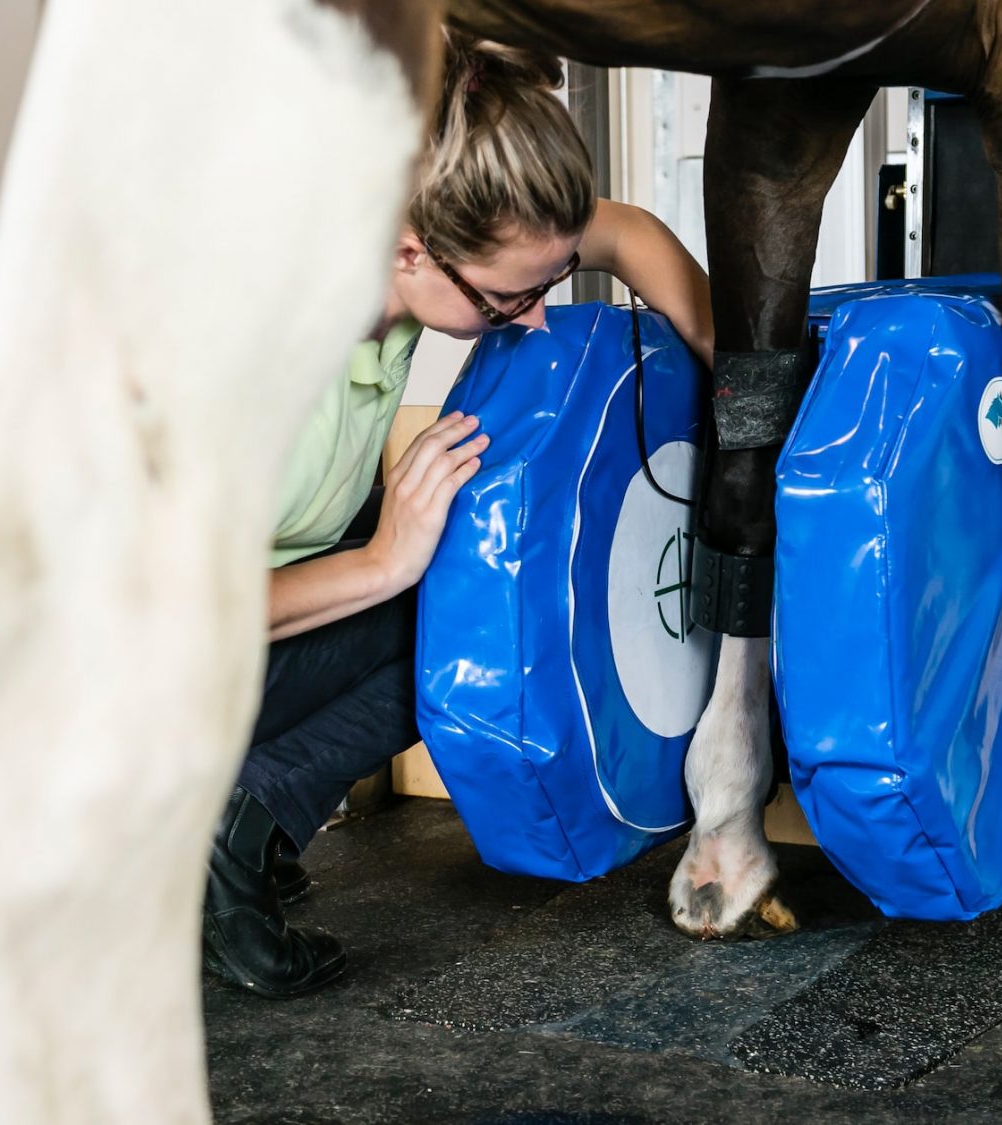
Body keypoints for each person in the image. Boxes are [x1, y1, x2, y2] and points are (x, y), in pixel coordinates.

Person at [202, 34, 713, 999]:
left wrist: (749, 380)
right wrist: (383, 562)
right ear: (410, 249)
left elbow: (629, 233)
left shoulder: (418, 241)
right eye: (510, 296)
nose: (530, 319)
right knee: (456, 602)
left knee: (465, 591)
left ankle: (243, 813)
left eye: (547, 287)